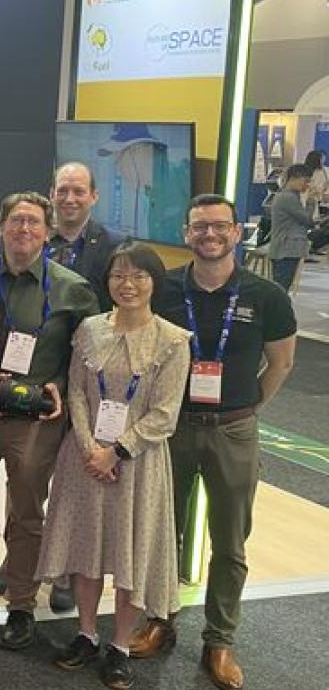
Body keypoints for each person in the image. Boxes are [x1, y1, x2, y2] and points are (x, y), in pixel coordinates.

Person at [132, 194, 297, 690]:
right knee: (163, 533)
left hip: (234, 429)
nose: (210, 234)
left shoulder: (266, 295)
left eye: (219, 226)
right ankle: (160, 621)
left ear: (236, 233)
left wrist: (245, 410)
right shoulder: (163, 290)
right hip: (173, 426)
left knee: (230, 541)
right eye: (200, 226)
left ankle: (220, 639)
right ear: (186, 233)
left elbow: (282, 364)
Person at [37, 242, 191, 690]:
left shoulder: (172, 340)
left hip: (137, 465)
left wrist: (116, 451)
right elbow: (78, 391)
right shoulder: (89, 329)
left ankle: (120, 645)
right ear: (108, 282)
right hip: (85, 459)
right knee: (87, 551)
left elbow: (164, 414)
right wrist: (90, 447)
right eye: (119, 275)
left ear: (154, 282)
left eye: (139, 276)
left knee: (131, 554)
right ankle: (86, 633)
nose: (128, 284)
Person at [0, 191, 98, 650]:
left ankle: (21, 603)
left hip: (38, 419)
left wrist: (60, 388)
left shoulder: (73, 289)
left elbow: (89, 356)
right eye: (16, 221)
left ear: (48, 231)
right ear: (0, 227)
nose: (25, 230)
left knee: (28, 514)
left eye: (34, 222)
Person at [49, 162, 126, 312]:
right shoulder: (33, 241)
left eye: (79, 192)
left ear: (94, 196)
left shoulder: (116, 245)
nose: (70, 199)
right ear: (52, 195)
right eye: (62, 191)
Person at [267, 163, 314, 291]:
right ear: (294, 178)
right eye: (306, 181)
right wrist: (311, 201)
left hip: (286, 248)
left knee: (281, 287)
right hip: (286, 249)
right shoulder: (288, 198)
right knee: (280, 289)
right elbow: (308, 220)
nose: (307, 185)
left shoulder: (290, 196)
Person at [304, 150, 327, 216]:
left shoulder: (303, 171)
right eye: (322, 161)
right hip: (310, 200)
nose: (323, 163)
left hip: (310, 200)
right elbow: (319, 188)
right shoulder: (319, 173)